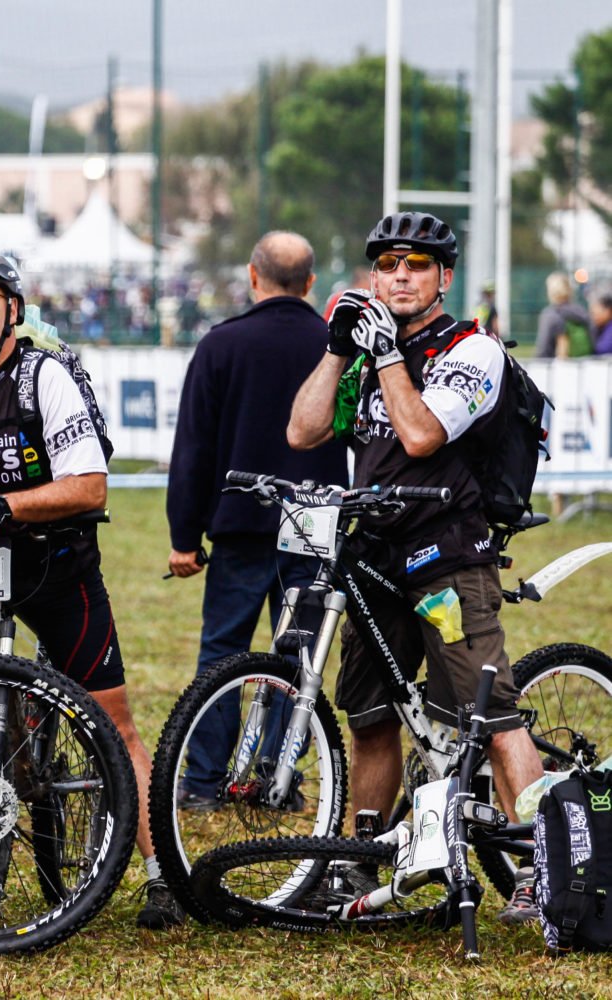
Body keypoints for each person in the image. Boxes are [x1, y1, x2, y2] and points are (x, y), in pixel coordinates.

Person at [286, 210, 546, 925]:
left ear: (444, 278)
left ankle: (538, 863)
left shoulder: (472, 350)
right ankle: (358, 864)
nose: (400, 276)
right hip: (374, 554)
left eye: (417, 265)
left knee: (486, 716)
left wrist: (390, 357)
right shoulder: (367, 351)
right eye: (388, 265)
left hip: (448, 554)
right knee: (370, 719)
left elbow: (423, 433)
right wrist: (339, 351)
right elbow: (303, 429)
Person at [0, 247, 176, 929]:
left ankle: (163, 874)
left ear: (13, 311)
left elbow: (89, 485)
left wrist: (2, 504)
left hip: (53, 563)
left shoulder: (45, 377)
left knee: (113, 717)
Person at [165, 231, 348, 809]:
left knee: (223, 653)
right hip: (315, 521)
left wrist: (183, 537)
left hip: (242, 520)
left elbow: (193, 448)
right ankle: (277, 780)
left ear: (253, 275)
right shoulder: (336, 346)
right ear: (310, 283)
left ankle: (200, 784)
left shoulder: (222, 345)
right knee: (300, 658)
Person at [535, 271, 592, 358]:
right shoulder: (581, 312)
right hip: (584, 362)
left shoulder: (550, 314)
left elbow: (547, 346)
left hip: (554, 364)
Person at [590, 287, 612, 355]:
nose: (594, 318)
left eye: (596, 314)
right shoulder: (599, 328)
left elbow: (603, 349)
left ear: (608, 311)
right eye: (592, 314)